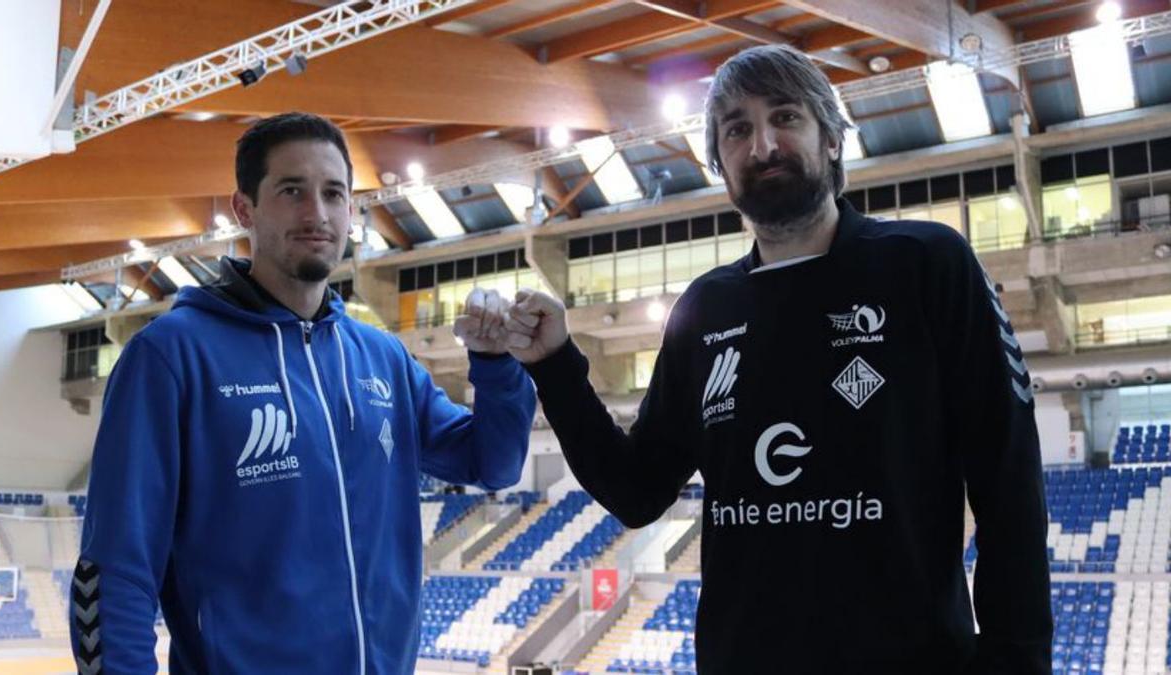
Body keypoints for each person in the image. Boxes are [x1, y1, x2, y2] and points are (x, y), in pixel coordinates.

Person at [504, 45, 1051, 673]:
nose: (762, 146)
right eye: (737, 129)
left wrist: (1017, 662)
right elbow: (636, 490)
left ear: (833, 140)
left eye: (785, 118)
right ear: (720, 163)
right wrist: (554, 365)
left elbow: (1008, 480)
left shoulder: (926, 266)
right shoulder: (705, 309)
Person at [70, 112, 535, 674]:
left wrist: (494, 364)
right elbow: (114, 567)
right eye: (292, 191)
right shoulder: (172, 357)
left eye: (333, 193)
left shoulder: (382, 359)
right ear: (246, 208)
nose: (317, 214)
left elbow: (496, 464)